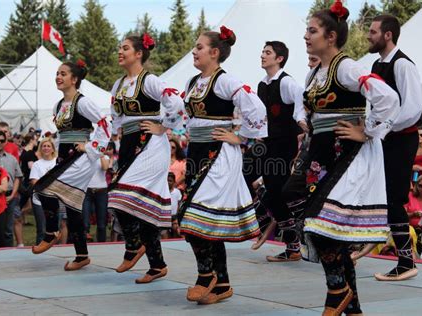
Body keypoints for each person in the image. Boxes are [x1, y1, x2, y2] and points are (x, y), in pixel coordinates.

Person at [281, 1, 400, 314]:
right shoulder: (315, 73)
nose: (306, 35)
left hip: (345, 154)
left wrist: (370, 131)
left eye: (312, 30)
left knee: (319, 225)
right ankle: (353, 306)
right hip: (320, 154)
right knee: (305, 210)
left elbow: (387, 97)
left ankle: (337, 291)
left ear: (331, 36)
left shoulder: (347, 67)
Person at [178, 25, 267, 305]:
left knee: (191, 218)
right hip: (196, 153)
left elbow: (258, 110)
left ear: (215, 52)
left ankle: (206, 275)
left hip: (219, 154)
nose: (194, 50)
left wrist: (239, 136)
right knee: (207, 220)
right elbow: (186, 117)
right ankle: (223, 283)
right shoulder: (193, 82)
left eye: (200, 46)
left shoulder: (226, 81)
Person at [108, 33, 184, 284]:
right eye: (120, 48)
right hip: (129, 145)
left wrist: (163, 126)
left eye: (126, 48)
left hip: (150, 144)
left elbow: (176, 103)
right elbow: (115, 117)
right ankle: (157, 265)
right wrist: (113, 141)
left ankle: (133, 246)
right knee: (139, 207)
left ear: (139, 53)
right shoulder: (118, 84)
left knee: (119, 196)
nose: (120, 52)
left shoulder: (149, 80)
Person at [32, 60, 111, 271]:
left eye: (63, 74)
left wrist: (92, 147)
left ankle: (50, 233)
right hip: (65, 158)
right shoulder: (59, 105)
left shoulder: (82, 102)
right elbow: (64, 133)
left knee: (43, 189)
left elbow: (105, 123)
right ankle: (82, 255)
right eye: (57, 73)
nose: (58, 77)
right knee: (73, 207)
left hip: (80, 158)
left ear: (74, 79)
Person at [367, 14, 422, 281]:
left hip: (400, 139)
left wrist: (381, 129)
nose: (368, 36)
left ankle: (406, 261)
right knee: (378, 194)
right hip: (384, 138)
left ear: (387, 35)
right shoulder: (377, 64)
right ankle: (374, 240)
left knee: (394, 198)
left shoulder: (403, 65)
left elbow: (412, 110)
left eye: (373, 31)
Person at [243, 40, 305, 261]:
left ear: (279, 58)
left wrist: (302, 135)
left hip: (284, 145)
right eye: (262, 51)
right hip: (267, 143)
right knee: (246, 173)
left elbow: (301, 109)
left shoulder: (288, 83)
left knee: (276, 192)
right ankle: (292, 241)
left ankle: (293, 244)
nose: (262, 55)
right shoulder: (261, 84)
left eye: (267, 52)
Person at [0, 131, 23, 247]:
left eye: (1, 141)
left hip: (10, 196)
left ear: (6, 142)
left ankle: (8, 253)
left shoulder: (12, 159)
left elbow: (17, 177)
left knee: (8, 229)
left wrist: (13, 194)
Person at [29, 138, 58, 245]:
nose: (46, 148)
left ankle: (56, 250)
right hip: (39, 200)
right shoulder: (37, 164)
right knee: (42, 229)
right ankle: (40, 249)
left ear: (53, 149)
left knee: (55, 229)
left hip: (56, 199)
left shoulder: (58, 162)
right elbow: (34, 181)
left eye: (48, 146)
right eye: (44, 146)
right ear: (40, 148)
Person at [82, 153, 111, 242]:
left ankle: (102, 246)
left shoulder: (105, 157)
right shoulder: (84, 157)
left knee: (102, 224)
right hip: (87, 191)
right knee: (85, 222)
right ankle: (83, 246)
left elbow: (105, 167)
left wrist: (101, 154)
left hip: (101, 191)